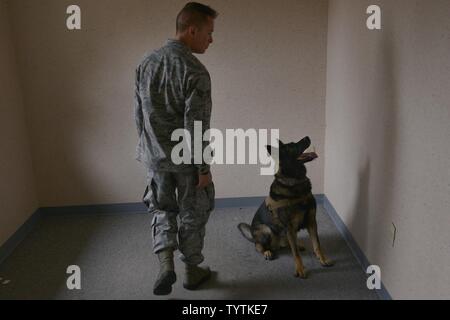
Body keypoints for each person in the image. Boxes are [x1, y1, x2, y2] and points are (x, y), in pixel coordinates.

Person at [134, 2, 218, 295]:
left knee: (162, 210)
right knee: (193, 213)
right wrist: (203, 170)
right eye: (208, 32)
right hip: (185, 161)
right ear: (192, 30)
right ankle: (192, 271)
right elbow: (197, 127)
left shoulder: (146, 63)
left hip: (154, 158)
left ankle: (165, 264)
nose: (211, 39)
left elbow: (139, 116)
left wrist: (146, 152)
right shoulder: (195, 71)